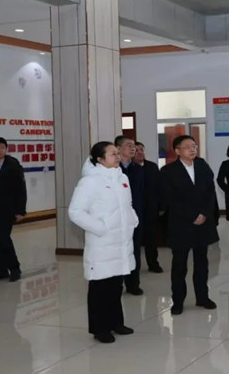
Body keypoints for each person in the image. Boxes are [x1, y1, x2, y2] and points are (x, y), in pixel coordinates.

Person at [68, 142, 138, 343]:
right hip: (102, 242)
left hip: (121, 241)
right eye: (113, 154)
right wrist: (100, 228)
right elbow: (75, 212)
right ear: (99, 159)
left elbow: (128, 205)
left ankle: (116, 322)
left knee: (116, 285)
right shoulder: (90, 181)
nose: (118, 157)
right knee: (100, 287)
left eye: (118, 153)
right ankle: (100, 329)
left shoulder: (122, 177)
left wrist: (133, 220)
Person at [160, 135, 218, 315]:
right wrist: (192, 215)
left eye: (194, 146)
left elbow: (211, 192)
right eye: (187, 147)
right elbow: (170, 199)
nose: (192, 149)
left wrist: (205, 213)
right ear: (177, 150)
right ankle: (178, 301)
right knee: (179, 265)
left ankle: (203, 297)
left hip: (203, 222)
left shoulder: (202, 166)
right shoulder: (168, 171)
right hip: (181, 223)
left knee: (202, 263)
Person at [0, 137, 26, 283]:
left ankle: (15, 268)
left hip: (6, 210)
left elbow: (21, 189)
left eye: (2, 147)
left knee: (3, 239)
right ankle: (1, 270)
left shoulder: (13, 166)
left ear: (6, 149)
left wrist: (20, 210)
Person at [115, 136, 144, 296]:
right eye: (128, 145)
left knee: (134, 252)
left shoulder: (138, 169)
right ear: (118, 149)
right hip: (117, 219)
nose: (133, 148)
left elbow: (141, 194)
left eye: (134, 146)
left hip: (135, 218)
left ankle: (133, 284)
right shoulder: (113, 170)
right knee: (118, 253)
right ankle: (117, 284)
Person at [135, 142, 163, 272]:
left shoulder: (152, 167)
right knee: (135, 240)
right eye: (137, 150)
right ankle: (134, 267)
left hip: (151, 208)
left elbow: (159, 187)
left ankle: (153, 263)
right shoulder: (129, 169)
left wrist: (161, 206)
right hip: (135, 210)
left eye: (142, 149)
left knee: (151, 239)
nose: (140, 152)